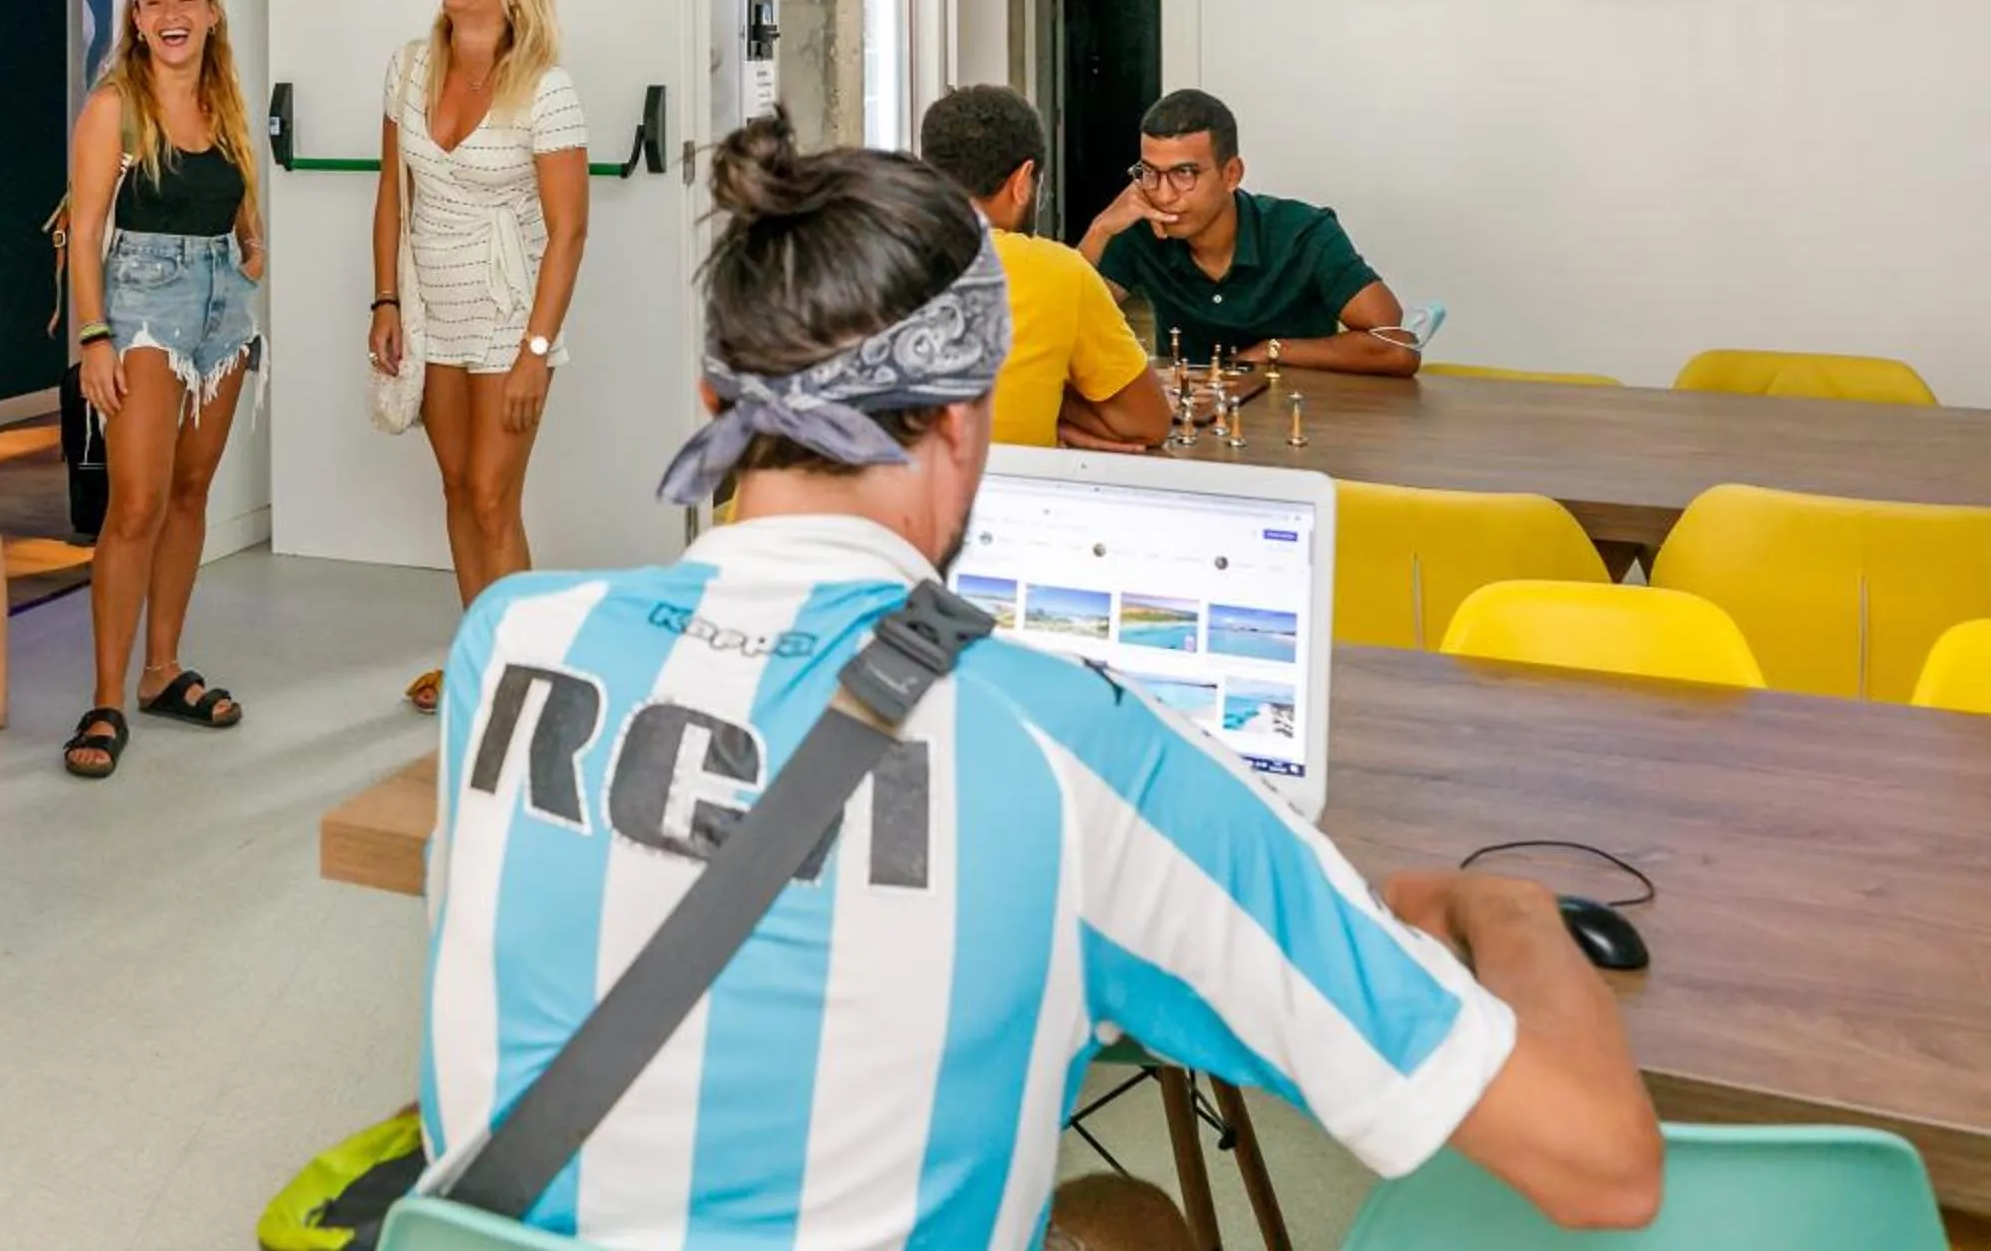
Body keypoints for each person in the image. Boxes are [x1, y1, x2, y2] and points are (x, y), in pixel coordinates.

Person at [421, 114, 1663, 1250]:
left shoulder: (512, 641)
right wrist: (1504, 909)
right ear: (966, 420)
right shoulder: (1072, 749)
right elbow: (1602, 1166)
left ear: (711, 399)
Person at [371, 0, 590, 716]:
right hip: (431, 305)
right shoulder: (407, 69)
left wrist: (537, 348)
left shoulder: (546, 86)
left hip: (509, 313)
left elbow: (569, 230)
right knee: (459, 488)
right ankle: (484, 657)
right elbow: (393, 195)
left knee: (495, 496)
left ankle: (531, 680)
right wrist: (386, 301)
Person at [58, 0, 261, 778]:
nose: (169, 16)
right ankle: (105, 699)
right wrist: (93, 335)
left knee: (188, 493)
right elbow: (84, 228)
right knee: (134, 505)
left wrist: (252, 246)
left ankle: (160, 671)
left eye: (185, 0)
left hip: (223, 310)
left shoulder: (226, 100)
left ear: (212, 12)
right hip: (141, 307)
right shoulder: (115, 107)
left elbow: (239, 196)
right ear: (135, 21)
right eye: (151, 3)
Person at [1080, 90, 1419, 378]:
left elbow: (1396, 345)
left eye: (1185, 173)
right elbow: (1063, 321)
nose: (1165, 195)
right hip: (1192, 424)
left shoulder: (1302, 232)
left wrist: (1274, 350)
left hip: (1300, 420)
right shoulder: (1143, 229)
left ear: (1232, 174)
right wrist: (1101, 227)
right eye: (1151, 173)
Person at [918, 84, 1168, 452]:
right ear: (1023, 181)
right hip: (1007, 500)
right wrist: (1059, 408)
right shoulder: (1058, 272)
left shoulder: (863, 257)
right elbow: (1148, 423)